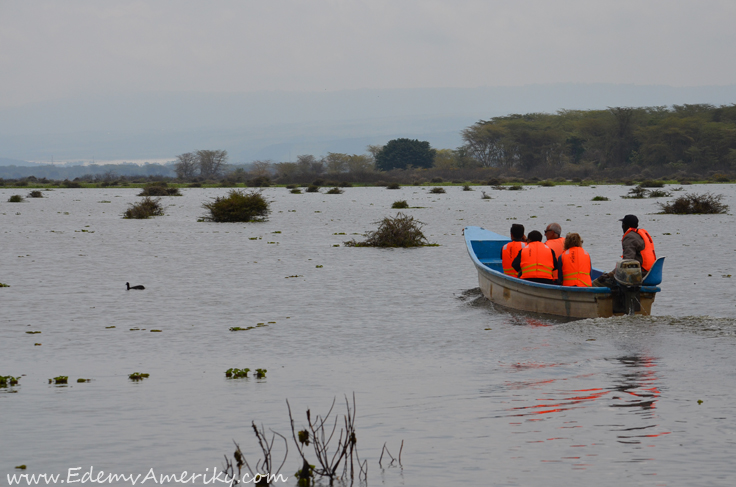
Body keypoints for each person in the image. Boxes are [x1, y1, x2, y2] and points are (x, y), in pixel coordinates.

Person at [592, 214, 656, 287]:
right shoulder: (640, 235)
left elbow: (627, 262)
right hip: (649, 273)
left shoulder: (629, 237)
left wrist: (610, 275)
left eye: (623, 224)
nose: (622, 226)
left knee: (596, 283)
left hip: (638, 275)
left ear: (626, 226)